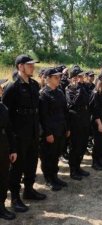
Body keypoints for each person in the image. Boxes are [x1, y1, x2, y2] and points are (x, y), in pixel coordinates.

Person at [2, 54, 47, 213]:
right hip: (19, 135)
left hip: (33, 132)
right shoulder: (12, 87)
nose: (32, 67)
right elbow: (6, 116)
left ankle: (29, 190)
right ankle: (15, 197)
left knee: (32, 163)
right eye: (29, 65)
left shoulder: (34, 85)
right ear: (20, 66)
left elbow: (38, 110)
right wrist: (12, 139)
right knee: (17, 167)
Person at [39, 68, 70, 191]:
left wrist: (67, 128)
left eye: (59, 77)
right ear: (48, 78)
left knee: (56, 155)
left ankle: (55, 177)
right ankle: (49, 179)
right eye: (56, 77)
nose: (59, 79)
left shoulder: (59, 92)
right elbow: (43, 117)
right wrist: (48, 133)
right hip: (50, 132)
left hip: (60, 129)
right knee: (48, 157)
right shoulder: (43, 94)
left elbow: (64, 112)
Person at [66, 65, 90, 180]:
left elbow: (88, 100)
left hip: (84, 119)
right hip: (75, 121)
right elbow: (72, 103)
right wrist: (78, 88)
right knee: (75, 147)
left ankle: (78, 167)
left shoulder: (83, 87)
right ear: (74, 77)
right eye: (79, 76)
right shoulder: (69, 89)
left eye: (82, 76)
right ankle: (73, 170)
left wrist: (80, 87)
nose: (82, 78)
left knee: (82, 145)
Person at [0, 79, 17, 220]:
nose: (1, 89)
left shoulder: (3, 108)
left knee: (3, 177)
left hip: (3, 146)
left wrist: (13, 150)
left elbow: (10, 130)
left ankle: (1, 206)